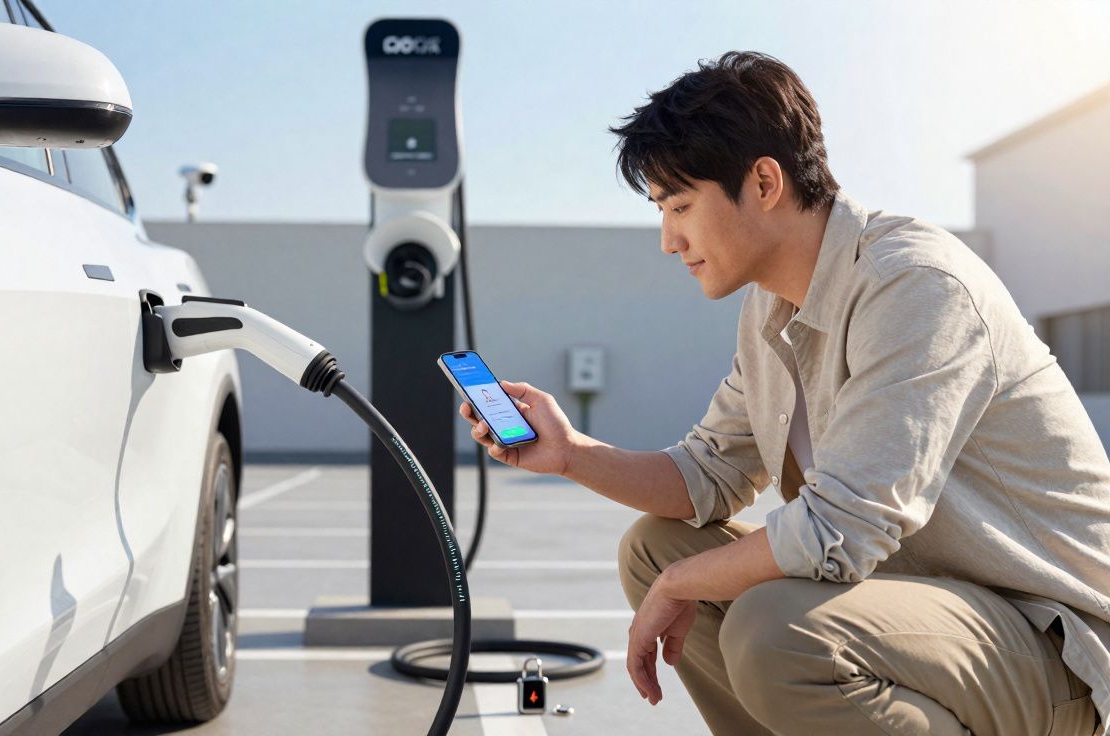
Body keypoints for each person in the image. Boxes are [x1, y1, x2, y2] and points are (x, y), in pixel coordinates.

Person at [458, 51, 1108, 736]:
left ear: (764, 181)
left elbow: (840, 531)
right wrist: (570, 453)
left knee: (777, 631)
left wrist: (684, 587)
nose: (667, 239)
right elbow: (707, 475)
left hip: (1051, 646)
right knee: (657, 550)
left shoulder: (916, 287)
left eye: (680, 204)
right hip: (921, 612)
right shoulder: (772, 307)